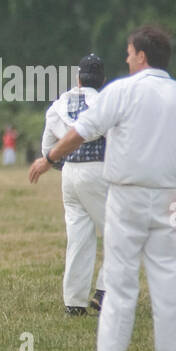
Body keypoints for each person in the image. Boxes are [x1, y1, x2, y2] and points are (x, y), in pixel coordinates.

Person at [29, 25, 176, 351]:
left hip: (126, 195)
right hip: (170, 197)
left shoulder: (120, 92)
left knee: (121, 283)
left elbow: (84, 130)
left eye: (129, 52)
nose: (126, 58)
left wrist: (50, 157)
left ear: (141, 56)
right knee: (169, 282)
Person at [40, 54, 109, 316]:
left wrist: (62, 163)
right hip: (99, 170)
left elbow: (48, 148)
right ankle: (105, 292)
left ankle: (74, 302)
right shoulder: (105, 102)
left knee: (79, 237)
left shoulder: (58, 105)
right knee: (120, 234)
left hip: (69, 174)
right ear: (102, 80)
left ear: (78, 79)